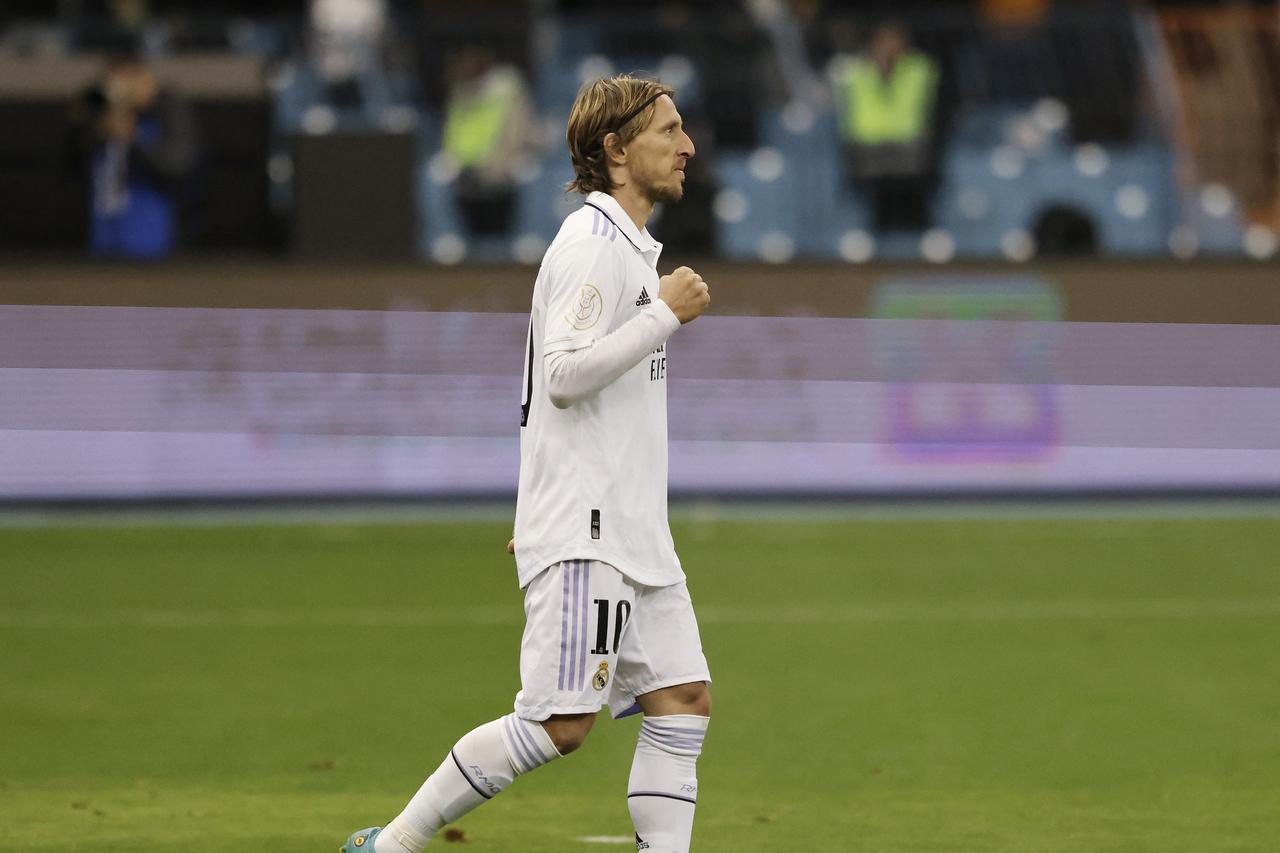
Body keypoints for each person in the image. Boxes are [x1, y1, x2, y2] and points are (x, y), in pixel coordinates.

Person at [342, 75, 713, 853]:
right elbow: (564, 376)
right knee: (559, 723)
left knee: (681, 698)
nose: (687, 146)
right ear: (615, 149)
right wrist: (661, 316)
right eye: (668, 130)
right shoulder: (591, 246)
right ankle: (392, 845)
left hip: (631, 528)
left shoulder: (630, 249)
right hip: (592, 525)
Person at [71, 52, 198, 259]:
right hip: (102, 235)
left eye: (128, 79)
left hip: (154, 238)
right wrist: (85, 124)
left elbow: (178, 166)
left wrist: (133, 137)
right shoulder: (100, 115)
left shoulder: (166, 109)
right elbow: (73, 169)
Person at [830, 20, 940, 232]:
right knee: (874, 183)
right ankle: (876, 237)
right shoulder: (852, 69)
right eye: (884, 40)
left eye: (895, 39)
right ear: (873, 42)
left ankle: (918, 235)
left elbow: (932, 110)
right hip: (866, 147)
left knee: (913, 179)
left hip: (909, 147)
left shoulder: (920, 68)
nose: (889, 46)